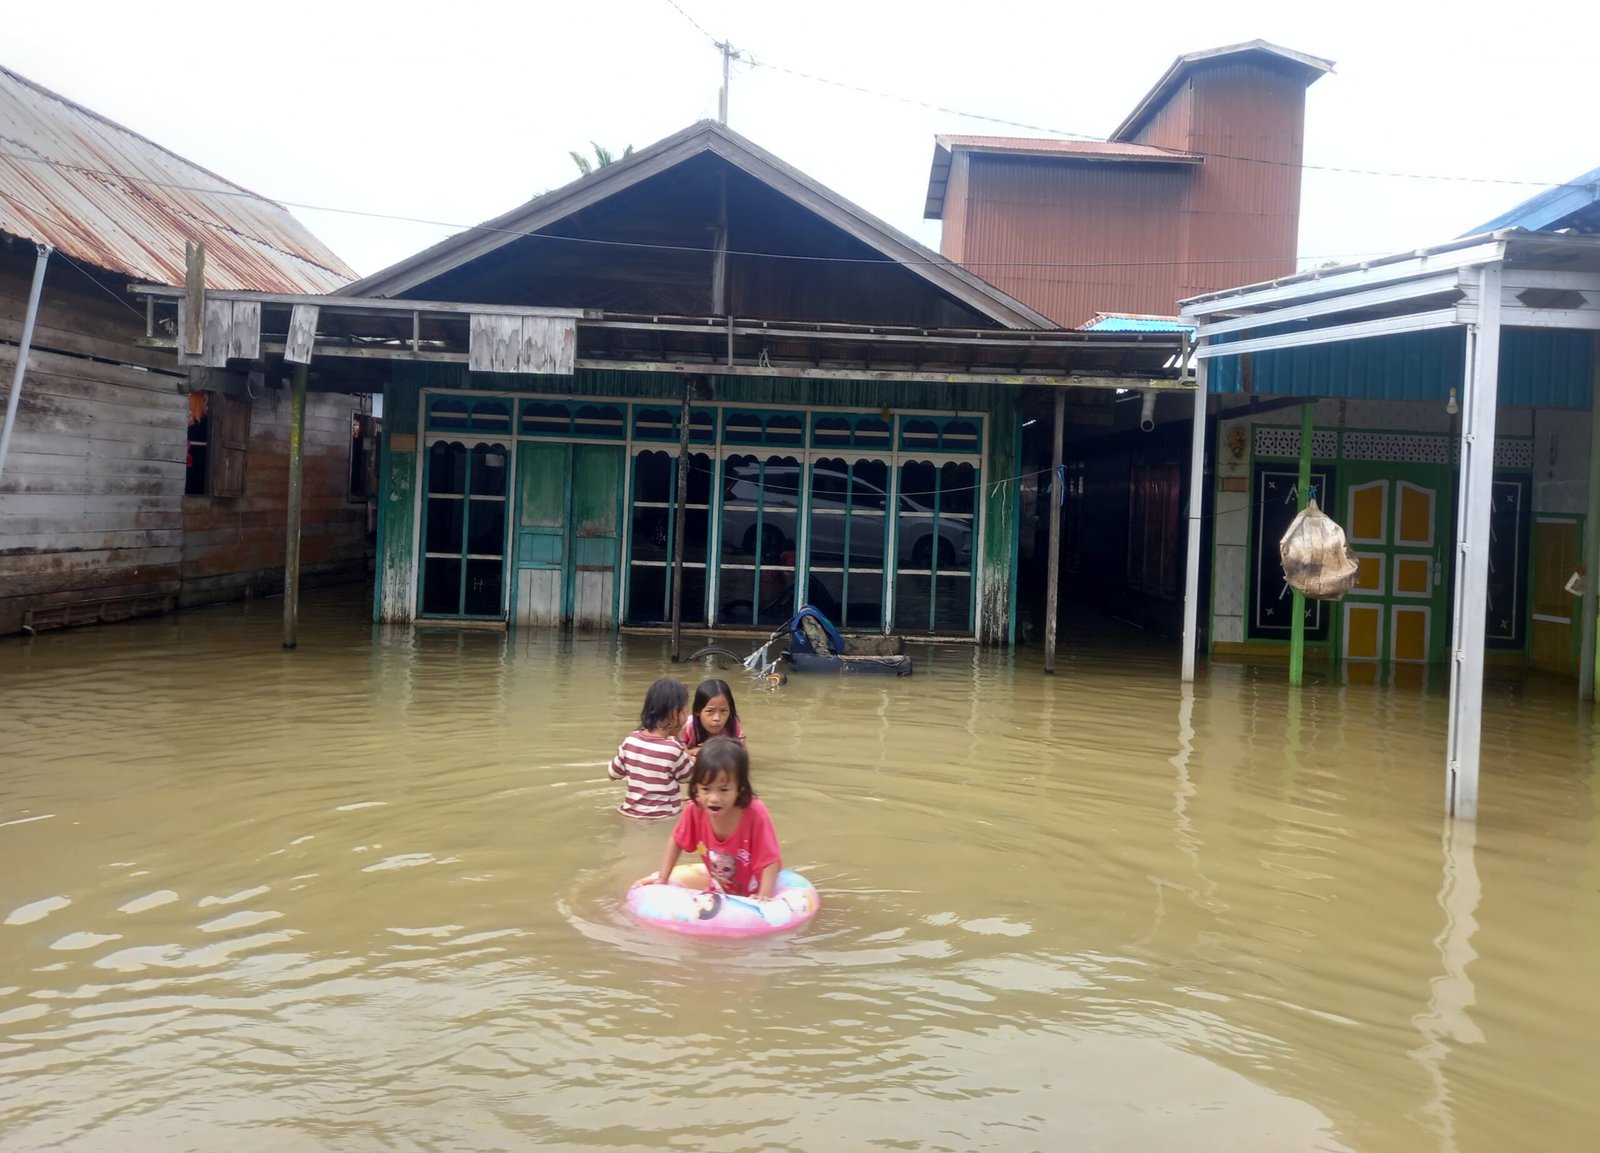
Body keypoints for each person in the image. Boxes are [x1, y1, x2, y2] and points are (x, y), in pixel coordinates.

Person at [646, 736, 781, 899]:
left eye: (723, 790)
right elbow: (676, 841)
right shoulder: (695, 810)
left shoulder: (755, 813)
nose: (713, 798)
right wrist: (663, 878)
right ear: (696, 786)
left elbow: (770, 859)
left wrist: (764, 896)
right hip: (719, 889)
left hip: (754, 891)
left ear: (740, 787)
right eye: (706, 789)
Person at [608, 677, 691, 820]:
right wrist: (681, 739)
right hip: (662, 818)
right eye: (685, 711)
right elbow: (691, 776)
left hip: (629, 814)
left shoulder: (630, 741)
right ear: (674, 714)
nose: (687, 716)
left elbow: (612, 774)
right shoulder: (673, 749)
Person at [679, 678, 746, 761]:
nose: (717, 718)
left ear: (730, 711)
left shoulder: (732, 723)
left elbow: (741, 755)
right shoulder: (688, 726)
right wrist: (695, 752)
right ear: (697, 711)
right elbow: (675, 755)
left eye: (723, 711)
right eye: (710, 711)